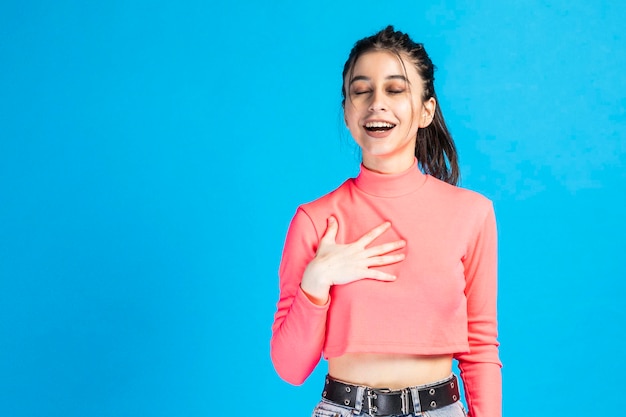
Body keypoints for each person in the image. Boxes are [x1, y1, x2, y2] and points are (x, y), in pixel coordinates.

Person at [270, 25, 501, 417]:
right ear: (347, 111)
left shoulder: (471, 213)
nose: (377, 103)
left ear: (426, 109)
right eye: (362, 90)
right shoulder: (315, 220)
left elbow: (479, 347)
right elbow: (290, 369)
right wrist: (316, 281)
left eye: (395, 90)